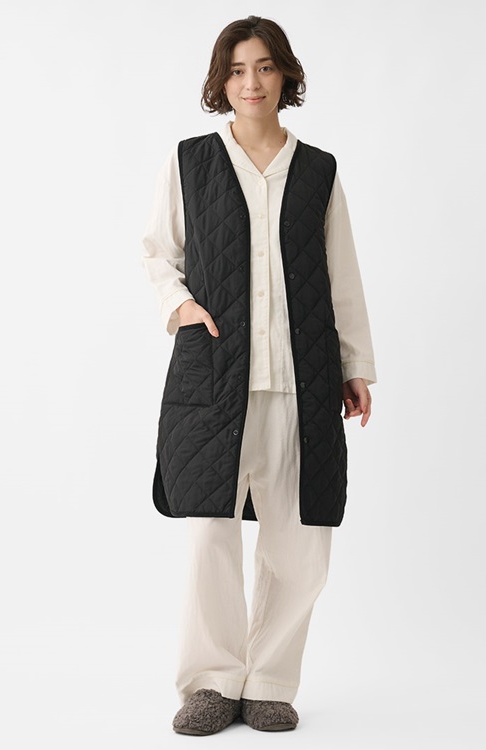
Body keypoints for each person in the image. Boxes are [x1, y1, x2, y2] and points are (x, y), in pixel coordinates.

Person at [142, 15, 376, 736]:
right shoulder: (191, 161)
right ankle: (212, 683)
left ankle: (270, 680)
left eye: (266, 67)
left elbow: (340, 274)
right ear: (222, 81)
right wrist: (180, 305)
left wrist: (355, 366)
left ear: (285, 76)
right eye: (239, 69)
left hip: (302, 380)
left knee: (300, 540)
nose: (252, 82)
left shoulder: (318, 171)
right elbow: (158, 250)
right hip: (214, 379)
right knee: (210, 534)